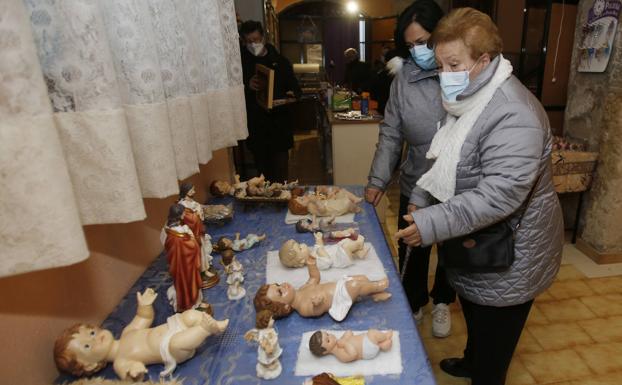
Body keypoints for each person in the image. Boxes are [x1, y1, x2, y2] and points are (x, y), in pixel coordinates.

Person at [396, 8, 563, 385]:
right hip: (478, 244)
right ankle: (472, 360)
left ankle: (483, 371)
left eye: (453, 63)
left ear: (484, 60)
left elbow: (499, 195)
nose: (444, 74)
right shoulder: (470, 95)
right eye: (440, 65)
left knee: (494, 346)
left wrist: (431, 223)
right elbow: (443, 159)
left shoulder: (514, 112)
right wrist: (421, 197)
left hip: (513, 254)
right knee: (474, 313)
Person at [365, 0, 455, 338]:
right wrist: (377, 179)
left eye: (426, 42)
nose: (420, 50)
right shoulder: (403, 79)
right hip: (416, 176)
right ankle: (414, 303)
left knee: (451, 247)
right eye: (412, 45)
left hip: (456, 182)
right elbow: (391, 133)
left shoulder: (459, 72)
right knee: (412, 247)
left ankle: (443, 300)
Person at [54, 288, 229, 380]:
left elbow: (142, 318)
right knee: (178, 342)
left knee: (189, 315)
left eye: (91, 332)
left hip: (170, 327)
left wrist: (144, 306)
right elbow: (129, 378)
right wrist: (133, 374)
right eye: (87, 345)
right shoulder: (120, 361)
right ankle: (205, 329)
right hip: (170, 350)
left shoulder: (127, 332)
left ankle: (215, 325)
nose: (94, 337)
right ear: (90, 366)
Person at [240, 21, 301, 182]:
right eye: (249, 41)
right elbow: (233, 97)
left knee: (281, 174)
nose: (254, 44)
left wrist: (291, 95)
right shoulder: (240, 64)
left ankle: (281, 204)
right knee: (262, 175)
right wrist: (247, 86)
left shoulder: (281, 61)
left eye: (256, 40)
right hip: (256, 128)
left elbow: (296, 89)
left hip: (280, 126)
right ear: (243, 41)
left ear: (263, 38)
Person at [254, 254, 391, 321]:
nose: (282, 286)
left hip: (340, 286)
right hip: (338, 299)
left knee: (361, 278)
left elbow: (314, 278)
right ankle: (377, 286)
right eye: (280, 291)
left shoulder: (302, 289)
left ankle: (375, 295)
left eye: (278, 285)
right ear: (285, 307)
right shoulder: (303, 308)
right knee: (356, 285)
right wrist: (317, 304)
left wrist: (311, 266)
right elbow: (316, 311)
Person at [308, 329, 394, 362]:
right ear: (325, 352)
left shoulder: (339, 342)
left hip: (366, 341)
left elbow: (349, 335)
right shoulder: (340, 355)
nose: (330, 336)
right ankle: (385, 337)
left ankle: (383, 345)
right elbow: (353, 354)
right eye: (328, 340)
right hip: (366, 350)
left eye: (327, 334)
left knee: (372, 336)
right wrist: (345, 343)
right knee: (372, 333)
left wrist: (346, 335)